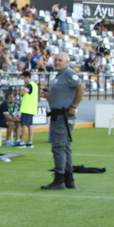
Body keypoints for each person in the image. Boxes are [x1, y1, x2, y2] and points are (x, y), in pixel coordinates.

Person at [42, 52, 84, 191]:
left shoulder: (68, 73)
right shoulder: (60, 75)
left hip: (62, 115)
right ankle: (68, 179)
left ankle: (59, 178)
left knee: (59, 147)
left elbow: (81, 87)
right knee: (65, 146)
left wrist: (73, 106)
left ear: (67, 62)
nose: (57, 62)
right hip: (59, 114)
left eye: (60, 60)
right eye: (55, 60)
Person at [16, 69, 37, 148]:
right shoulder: (35, 85)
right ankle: (30, 142)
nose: (23, 81)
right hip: (32, 107)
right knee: (30, 125)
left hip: (26, 108)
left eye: (24, 78)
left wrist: (20, 89)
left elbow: (22, 92)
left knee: (24, 125)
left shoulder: (30, 85)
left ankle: (22, 142)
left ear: (27, 77)